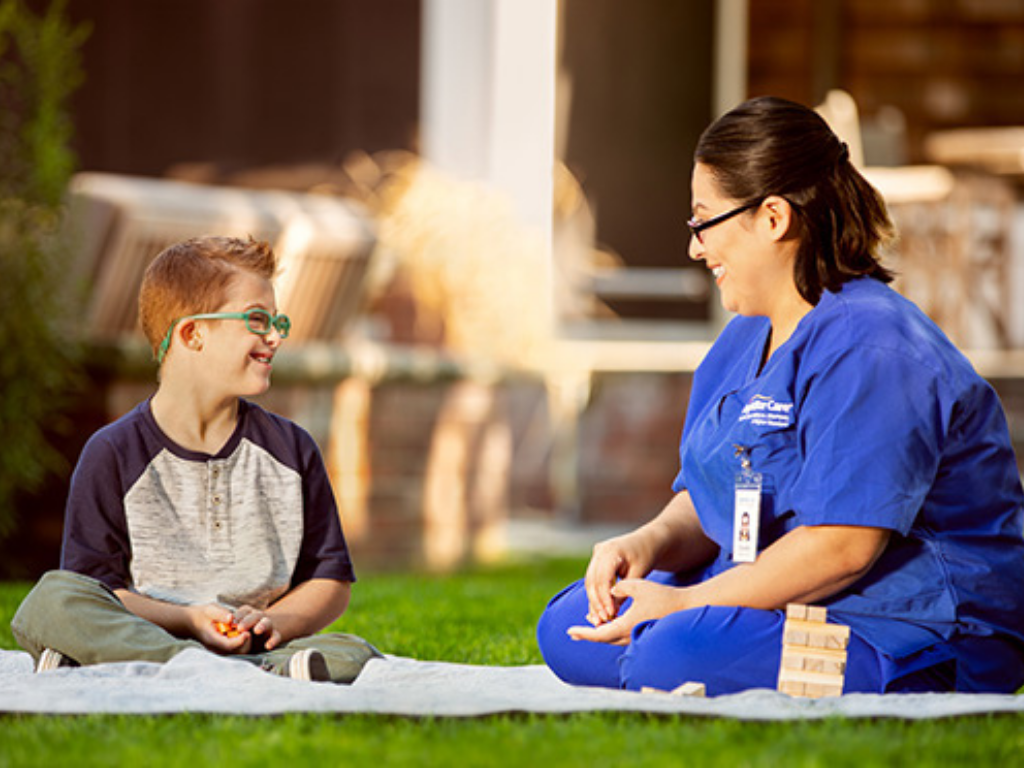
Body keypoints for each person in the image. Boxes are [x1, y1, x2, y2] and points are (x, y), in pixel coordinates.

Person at [536, 96, 1024, 696]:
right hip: (788, 599)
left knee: (671, 650)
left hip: (906, 629)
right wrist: (645, 543)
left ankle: (689, 652)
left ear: (773, 218)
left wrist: (683, 603)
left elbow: (843, 548)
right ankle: (692, 647)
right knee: (567, 625)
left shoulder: (876, 349)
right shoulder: (743, 338)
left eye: (703, 221)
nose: (694, 247)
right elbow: (709, 492)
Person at [12, 236, 379, 683]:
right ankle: (225, 672)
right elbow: (97, 591)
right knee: (55, 600)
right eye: (257, 319)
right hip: (149, 633)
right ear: (192, 333)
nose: (275, 336)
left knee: (353, 652)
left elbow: (330, 582)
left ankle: (138, 668)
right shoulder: (111, 452)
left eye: (277, 321)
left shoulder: (293, 449)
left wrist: (276, 623)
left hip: (257, 647)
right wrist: (188, 620)